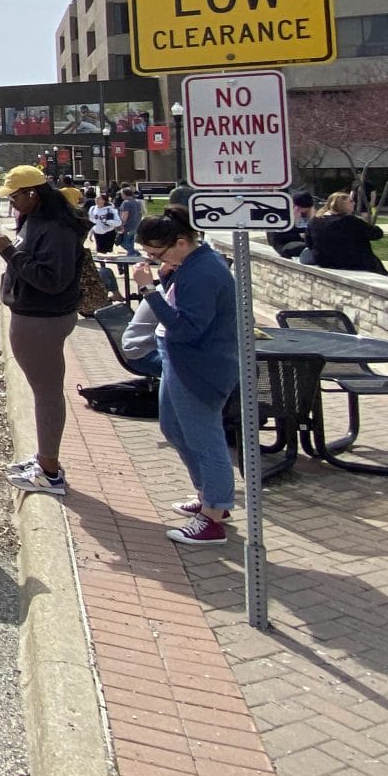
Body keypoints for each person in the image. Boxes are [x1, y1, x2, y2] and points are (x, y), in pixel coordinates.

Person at [0, 167, 90, 496]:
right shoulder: (35, 221)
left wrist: (7, 250)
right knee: (43, 391)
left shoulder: (56, 229)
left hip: (43, 318)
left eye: (15, 196)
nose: (12, 203)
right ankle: (44, 459)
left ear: (34, 194)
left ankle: (50, 471)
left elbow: (50, 280)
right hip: (32, 314)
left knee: (46, 394)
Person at [130, 209, 239, 545]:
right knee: (174, 428)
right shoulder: (190, 265)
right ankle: (209, 496)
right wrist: (164, 280)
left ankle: (214, 516)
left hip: (200, 367)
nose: (151, 259)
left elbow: (187, 327)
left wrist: (149, 291)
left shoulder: (203, 271)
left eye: (156, 253)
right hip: (179, 362)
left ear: (181, 242)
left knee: (205, 439)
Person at [304, 192, 388, 274]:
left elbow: (308, 242)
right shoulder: (349, 221)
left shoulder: (315, 220)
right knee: (377, 267)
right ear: (341, 204)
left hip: (323, 261)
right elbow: (377, 234)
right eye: (351, 201)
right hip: (350, 262)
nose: (354, 203)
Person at [268, 191, 317, 260]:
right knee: (303, 247)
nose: (304, 211)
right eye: (301, 208)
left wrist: (313, 220)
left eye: (307, 209)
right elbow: (278, 237)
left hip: (306, 242)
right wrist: (299, 235)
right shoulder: (283, 216)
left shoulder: (310, 214)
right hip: (285, 244)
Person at [115, 186, 143, 257]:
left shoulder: (126, 203)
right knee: (131, 240)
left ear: (125, 194)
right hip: (136, 224)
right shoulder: (137, 202)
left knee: (122, 241)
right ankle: (132, 253)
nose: (121, 195)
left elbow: (125, 215)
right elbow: (140, 213)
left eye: (122, 194)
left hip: (128, 225)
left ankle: (133, 252)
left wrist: (121, 224)